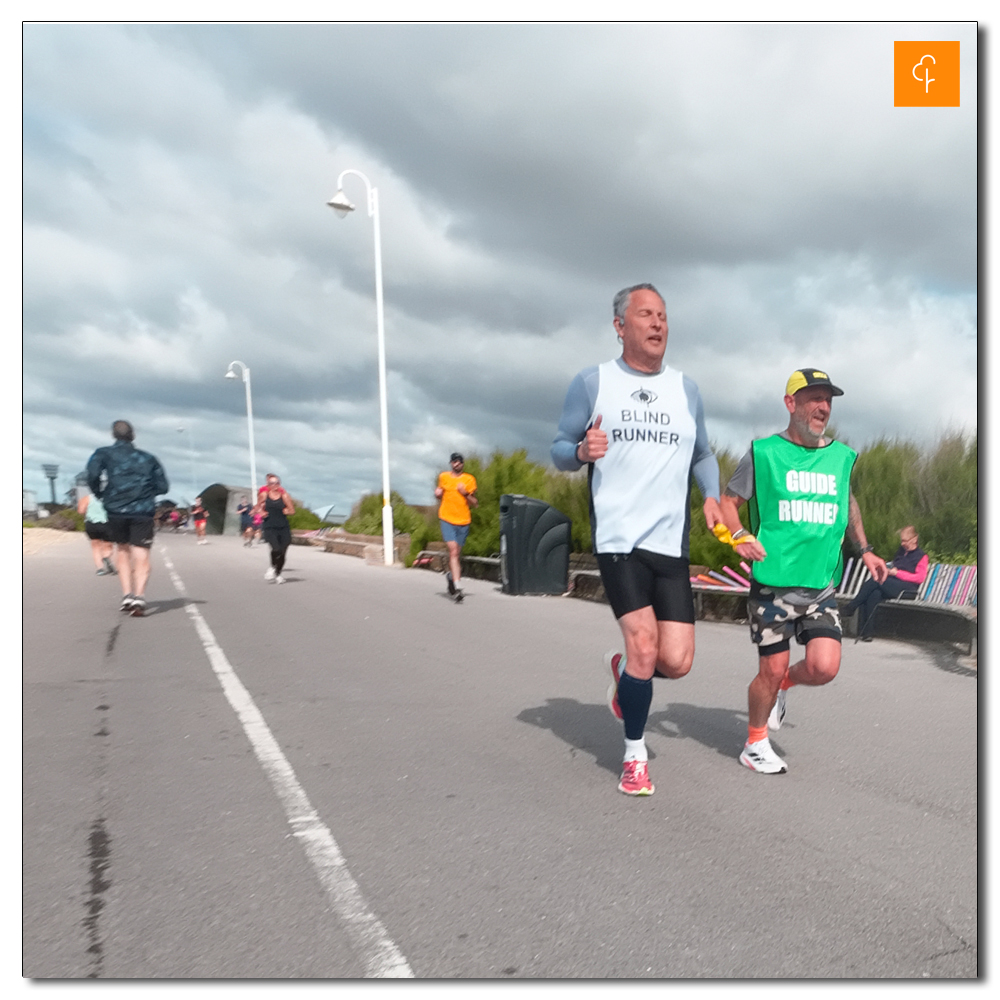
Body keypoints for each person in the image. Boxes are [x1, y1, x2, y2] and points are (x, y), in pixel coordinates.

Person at [552, 284, 722, 797]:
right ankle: (634, 756)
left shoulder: (686, 389)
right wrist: (582, 449)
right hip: (619, 538)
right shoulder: (593, 383)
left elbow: (703, 454)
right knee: (645, 646)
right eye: (645, 314)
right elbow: (559, 449)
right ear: (620, 326)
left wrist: (711, 495)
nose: (657, 324)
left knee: (676, 661)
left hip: (671, 543)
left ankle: (626, 674)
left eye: (663, 316)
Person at [718, 368, 888, 775]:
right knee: (770, 669)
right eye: (813, 398)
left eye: (827, 400)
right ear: (790, 403)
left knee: (824, 667)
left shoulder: (840, 457)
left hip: (820, 587)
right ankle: (755, 743)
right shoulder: (763, 453)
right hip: (773, 585)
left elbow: (847, 503)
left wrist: (864, 549)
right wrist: (737, 534)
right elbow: (727, 503)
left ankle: (784, 688)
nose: (823, 407)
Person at [86, 420, 169, 616]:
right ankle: (139, 596)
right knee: (141, 551)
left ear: (113, 435)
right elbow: (163, 486)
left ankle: (127, 594)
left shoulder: (103, 453)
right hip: (142, 510)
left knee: (122, 549)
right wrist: (146, 492)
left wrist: (100, 493)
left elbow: (92, 474)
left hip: (115, 509)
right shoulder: (148, 458)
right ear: (133, 435)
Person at [843, 525, 928, 641]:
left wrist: (897, 573)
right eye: (902, 540)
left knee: (876, 581)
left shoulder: (921, 556)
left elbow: (919, 578)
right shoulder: (901, 552)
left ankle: (851, 607)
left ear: (914, 539)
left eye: (905, 540)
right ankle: (866, 632)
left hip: (908, 588)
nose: (903, 543)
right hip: (894, 584)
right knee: (873, 594)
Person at [434, 453, 478, 603]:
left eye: (459, 462)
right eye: (454, 462)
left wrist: (465, 493)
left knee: (457, 554)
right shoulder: (444, 477)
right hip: (446, 518)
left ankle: (451, 578)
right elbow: (440, 493)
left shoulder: (469, 479)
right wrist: (438, 495)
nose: (456, 464)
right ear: (451, 463)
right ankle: (458, 587)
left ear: (463, 464)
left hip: (463, 520)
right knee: (453, 551)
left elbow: (475, 503)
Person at [254, 473, 295, 583]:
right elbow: (257, 506)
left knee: (283, 551)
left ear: (279, 484)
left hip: (283, 526)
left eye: (277, 483)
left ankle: (278, 574)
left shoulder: (284, 496)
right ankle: (272, 567)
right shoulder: (264, 494)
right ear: (268, 484)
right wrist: (261, 512)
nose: (274, 485)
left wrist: (286, 511)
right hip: (270, 526)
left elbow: (292, 510)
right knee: (276, 548)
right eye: (271, 483)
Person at [77, 490, 116, 576]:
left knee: (95, 546)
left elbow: (81, 511)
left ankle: (100, 569)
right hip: (106, 523)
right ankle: (106, 556)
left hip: (91, 524)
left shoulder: (87, 498)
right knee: (108, 545)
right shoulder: (110, 497)